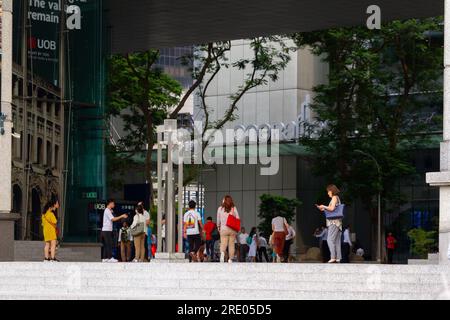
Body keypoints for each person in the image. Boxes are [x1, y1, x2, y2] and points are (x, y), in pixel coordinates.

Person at [316, 184, 343, 263]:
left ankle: (333, 257)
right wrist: (322, 208)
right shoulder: (336, 198)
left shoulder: (334, 198)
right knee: (337, 241)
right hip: (338, 223)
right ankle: (338, 257)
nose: (328, 193)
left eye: (328, 191)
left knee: (329, 239)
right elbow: (331, 209)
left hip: (333, 222)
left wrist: (323, 206)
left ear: (331, 191)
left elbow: (331, 209)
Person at [217, 195, 240, 263]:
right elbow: (238, 218)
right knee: (231, 244)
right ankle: (230, 259)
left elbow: (218, 219)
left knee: (223, 243)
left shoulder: (220, 208)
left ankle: (222, 253)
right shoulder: (233, 208)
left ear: (224, 201)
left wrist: (218, 226)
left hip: (223, 228)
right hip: (232, 229)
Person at [42, 198, 60, 262]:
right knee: (53, 245)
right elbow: (55, 222)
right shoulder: (51, 214)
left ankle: (46, 258)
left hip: (45, 231)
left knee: (47, 244)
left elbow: (43, 224)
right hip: (51, 231)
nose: (58, 205)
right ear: (53, 205)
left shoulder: (44, 214)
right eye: (57, 203)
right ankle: (52, 258)